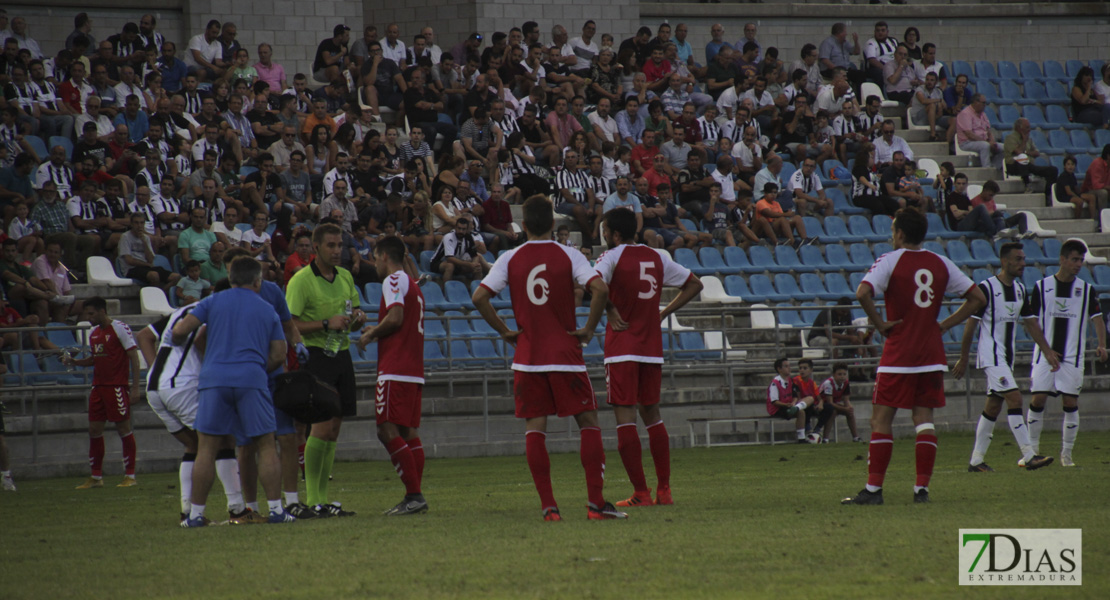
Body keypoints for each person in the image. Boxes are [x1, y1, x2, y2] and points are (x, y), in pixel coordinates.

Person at [472, 195, 625, 521]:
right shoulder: (569, 254)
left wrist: (505, 331)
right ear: (554, 225)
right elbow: (600, 290)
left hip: (528, 357)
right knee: (588, 423)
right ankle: (596, 505)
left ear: (523, 225)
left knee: (535, 429)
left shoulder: (509, 258)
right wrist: (587, 328)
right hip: (565, 355)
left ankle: (549, 508)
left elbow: (480, 296)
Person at [842, 209, 985, 506]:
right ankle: (921, 490)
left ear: (900, 234)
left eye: (893, 230)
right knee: (924, 420)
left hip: (899, 354)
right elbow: (977, 299)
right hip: (931, 354)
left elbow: (862, 293)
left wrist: (880, 325)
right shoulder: (941, 262)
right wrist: (944, 324)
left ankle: (873, 490)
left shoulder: (890, 260)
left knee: (881, 419)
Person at [172, 257, 292, 527]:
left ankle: (195, 515)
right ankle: (276, 510)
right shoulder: (266, 308)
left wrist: (178, 341)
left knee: (206, 448)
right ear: (258, 281)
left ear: (232, 277)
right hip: (251, 378)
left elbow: (181, 330)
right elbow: (279, 353)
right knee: (265, 444)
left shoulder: (212, 301)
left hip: (214, 379)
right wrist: (258, 368)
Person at [594, 208, 701, 507]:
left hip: (621, 348)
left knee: (625, 419)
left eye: (605, 232)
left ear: (615, 234)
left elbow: (595, 286)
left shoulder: (610, 257)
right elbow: (695, 283)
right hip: (651, 349)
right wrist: (665, 311)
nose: (604, 237)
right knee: (653, 416)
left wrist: (611, 311)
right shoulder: (658, 257)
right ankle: (664, 490)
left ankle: (641, 492)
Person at [953, 242, 1058, 473]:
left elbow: (1031, 322)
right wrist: (963, 357)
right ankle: (1029, 455)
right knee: (1015, 399)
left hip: (1005, 359)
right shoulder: (986, 288)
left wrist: (1047, 351)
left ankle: (976, 461)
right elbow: (971, 325)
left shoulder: (1020, 289)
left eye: (1023, 259)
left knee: (992, 407)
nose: (1023, 263)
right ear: (1004, 261)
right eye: (1018, 259)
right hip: (991, 356)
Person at [138, 303, 248, 523]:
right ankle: (237, 510)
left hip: (155, 387)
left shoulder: (183, 310)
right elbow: (200, 339)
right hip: (182, 385)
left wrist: (155, 371)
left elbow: (143, 336)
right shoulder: (217, 309)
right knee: (223, 441)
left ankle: (187, 511)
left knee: (194, 445)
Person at [286, 223, 367, 517]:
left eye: (340, 246)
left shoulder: (345, 276)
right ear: (316, 247)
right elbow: (289, 324)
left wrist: (357, 318)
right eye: (331, 246)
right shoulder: (301, 280)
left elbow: (353, 312)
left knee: (333, 429)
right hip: (316, 356)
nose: (337, 251)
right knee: (319, 427)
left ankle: (323, 499)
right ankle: (314, 499)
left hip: (341, 354)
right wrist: (323, 323)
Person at [355, 236, 428, 515]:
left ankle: (414, 495)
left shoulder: (394, 280)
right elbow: (400, 320)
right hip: (413, 368)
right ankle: (415, 496)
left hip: (395, 367)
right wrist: (377, 326)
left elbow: (396, 318)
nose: (374, 264)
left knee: (386, 429)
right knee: (408, 431)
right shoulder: (413, 285)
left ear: (385, 256)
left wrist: (372, 334)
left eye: (375, 258)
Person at [1026, 240, 1108, 468]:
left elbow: (1097, 319)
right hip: (1044, 354)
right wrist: (1046, 349)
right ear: (1062, 259)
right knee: (1038, 399)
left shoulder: (1086, 289)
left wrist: (1102, 344)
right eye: (1074, 259)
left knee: (1070, 402)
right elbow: (1030, 322)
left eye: (1081, 260)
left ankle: (1067, 455)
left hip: (1072, 356)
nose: (1078, 264)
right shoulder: (1041, 287)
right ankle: (1032, 451)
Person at [66, 297, 142, 489]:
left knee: (124, 430)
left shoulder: (120, 328)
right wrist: (75, 362)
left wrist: (135, 387)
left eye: (91, 313)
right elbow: (95, 359)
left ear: (102, 311)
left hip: (116, 387)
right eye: (86, 314)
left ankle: (130, 476)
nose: (88, 317)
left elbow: (133, 356)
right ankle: (96, 477)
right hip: (98, 388)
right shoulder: (94, 334)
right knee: (94, 430)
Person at [430, 216, 491, 283]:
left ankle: (476, 289)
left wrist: (474, 264)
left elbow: (474, 255)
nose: (461, 231)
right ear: (455, 228)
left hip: (458, 262)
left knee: (478, 267)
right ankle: (446, 290)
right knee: (450, 266)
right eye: (459, 228)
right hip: (438, 263)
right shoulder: (448, 237)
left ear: (467, 229)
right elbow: (450, 259)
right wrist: (469, 265)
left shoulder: (468, 238)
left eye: (463, 229)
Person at [766, 357, 811, 442]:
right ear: (779, 369)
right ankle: (802, 438)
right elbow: (774, 401)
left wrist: (793, 402)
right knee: (801, 412)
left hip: (788, 406)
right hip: (778, 409)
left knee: (808, 401)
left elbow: (795, 396)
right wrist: (786, 405)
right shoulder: (775, 383)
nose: (789, 368)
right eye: (786, 366)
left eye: (789, 366)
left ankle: (796, 408)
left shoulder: (790, 381)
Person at [956, 94, 1003, 170]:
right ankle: (986, 168)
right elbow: (969, 134)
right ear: (975, 102)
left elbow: (989, 131)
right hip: (967, 143)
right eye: (983, 103)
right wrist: (987, 143)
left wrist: (992, 142)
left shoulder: (983, 114)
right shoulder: (965, 114)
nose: (985, 105)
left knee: (1003, 148)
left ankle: (995, 167)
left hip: (984, 141)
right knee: (984, 146)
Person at [819, 364, 859, 443]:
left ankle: (856, 437)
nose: (842, 377)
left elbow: (846, 399)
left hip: (834, 404)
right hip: (822, 404)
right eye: (839, 374)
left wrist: (849, 408)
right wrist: (845, 408)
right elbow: (829, 402)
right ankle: (825, 438)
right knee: (832, 412)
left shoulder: (846, 383)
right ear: (834, 375)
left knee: (850, 413)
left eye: (844, 374)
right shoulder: (829, 383)